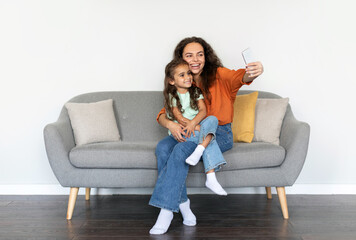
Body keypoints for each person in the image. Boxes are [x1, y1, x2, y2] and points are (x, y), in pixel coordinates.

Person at [149, 37, 264, 235]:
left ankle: (166, 210)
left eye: (200, 54)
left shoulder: (220, 74)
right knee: (162, 148)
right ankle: (183, 204)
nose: (195, 59)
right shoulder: (183, 81)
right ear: (181, 60)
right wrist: (170, 124)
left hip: (219, 132)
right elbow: (165, 111)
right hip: (190, 131)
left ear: (206, 57)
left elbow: (240, 77)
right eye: (189, 55)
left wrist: (253, 71)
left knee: (180, 149)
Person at [163, 58, 228, 195]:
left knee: (212, 119)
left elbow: (203, 111)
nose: (187, 77)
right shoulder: (172, 95)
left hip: (196, 127)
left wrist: (195, 124)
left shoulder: (195, 91)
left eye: (188, 73)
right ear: (171, 81)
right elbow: (178, 117)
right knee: (210, 137)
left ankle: (199, 149)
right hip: (184, 131)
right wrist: (194, 126)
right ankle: (210, 177)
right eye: (182, 75)